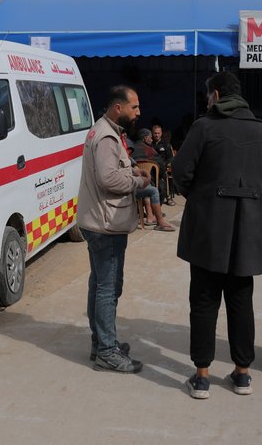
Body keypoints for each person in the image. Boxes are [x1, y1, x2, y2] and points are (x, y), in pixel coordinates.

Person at [172, 71, 262, 399]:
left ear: (216, 95)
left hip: (208, 230)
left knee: (204, 300)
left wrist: (203, 198)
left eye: (208, 95)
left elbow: (180, 172)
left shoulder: (204, 127)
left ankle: (202, 377)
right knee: (240, 299)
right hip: (250, 230)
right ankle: (242, 374)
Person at [77, 85, 151, 373]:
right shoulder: (107, 136)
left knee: (99, 285)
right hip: (105, 224)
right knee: (108, 288)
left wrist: (131, 169)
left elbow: (110, 170)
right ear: (118, 108)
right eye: (134, 107)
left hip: (96, 220)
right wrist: (139, 182)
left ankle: (101, 343)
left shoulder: (103, 130)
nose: (138, 112)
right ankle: (107, 350)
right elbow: (109, 180)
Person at [151, 124, 176, 205]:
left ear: (161, 133)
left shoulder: (166, 144)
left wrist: (165, 165)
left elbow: (170, 158)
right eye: (155, 133)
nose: (157, 135)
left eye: (158, 133)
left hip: (163, 168)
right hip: (151, 167)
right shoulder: (149, 144)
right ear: (152, 133)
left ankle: (168, 197)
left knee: (164, 176)